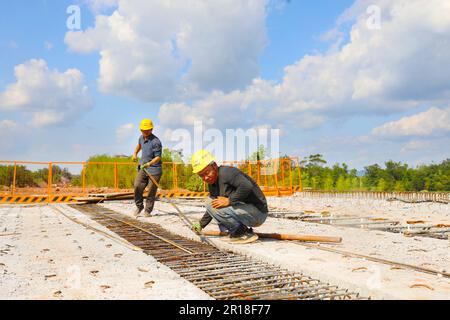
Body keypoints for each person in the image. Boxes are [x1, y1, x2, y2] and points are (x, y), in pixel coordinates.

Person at [190, 150, 268, 244]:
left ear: (214, 165)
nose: (205, 178)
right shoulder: (212, 183)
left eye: (207, 173)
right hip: (246, 212)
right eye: (201, 176)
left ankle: (242, 233)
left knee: (209, 202)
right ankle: (234, 232)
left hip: (258, 213)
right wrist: (201, 224)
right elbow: (214, 206)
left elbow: (247, 186)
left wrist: (230, 200)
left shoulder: (227, 173)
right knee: (210, 202)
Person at [131, 118, 162, 217]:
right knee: (137, 186)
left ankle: (148, 211)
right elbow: (139, 145)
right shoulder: (141, 137)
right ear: (141, 130)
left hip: (154, 169)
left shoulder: (156, 142)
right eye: (143, 130)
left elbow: (158, 157)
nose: (145, 131)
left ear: (151, 129)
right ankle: (139, 206)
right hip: (143, 168)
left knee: (151, 191)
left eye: (147, 130)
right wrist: (135, 153)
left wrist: (149, 164)